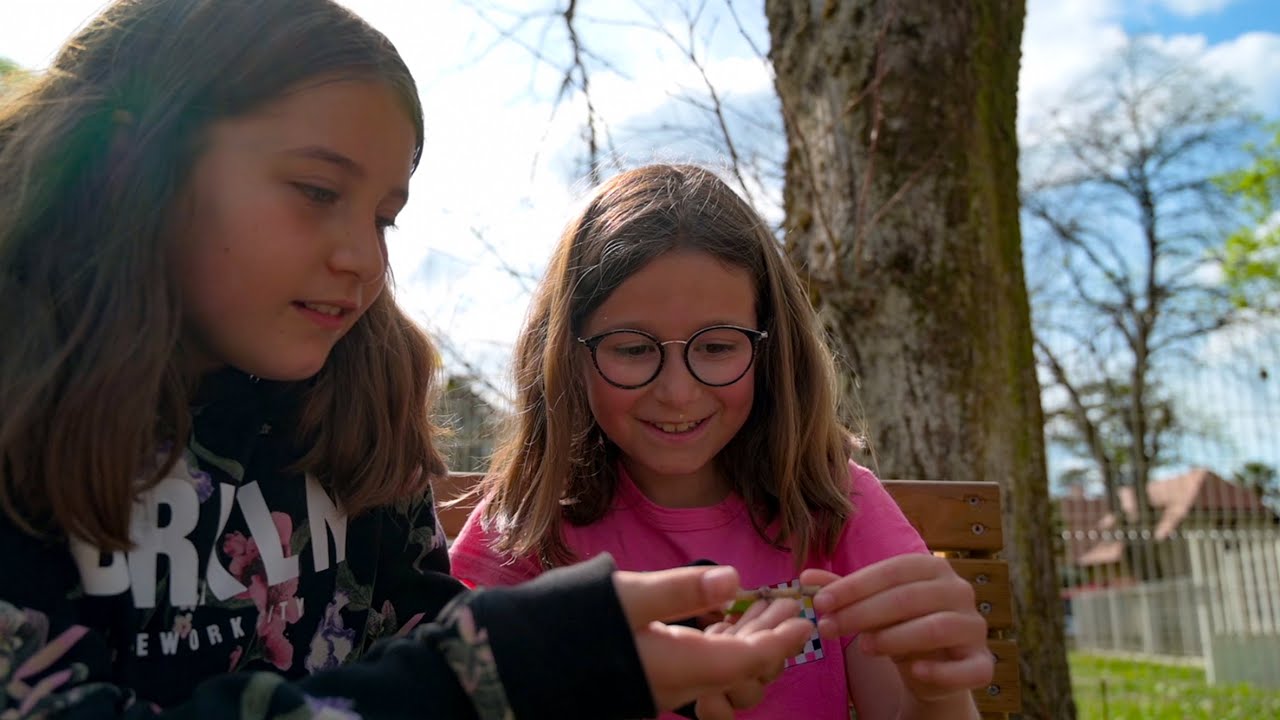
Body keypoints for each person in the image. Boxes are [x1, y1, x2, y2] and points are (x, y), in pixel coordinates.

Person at [0, 4, 816, 718]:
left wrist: (597, 668)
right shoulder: (22, 416)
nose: (363, 257)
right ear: (127, 167)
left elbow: (420, 637)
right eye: (318, 192)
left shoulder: (356, 406)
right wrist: (496, 676)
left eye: (386, 216)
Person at [449, 164, 995, 719]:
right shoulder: (524, 528)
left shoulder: (834, 504)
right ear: (568, 355)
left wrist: (939, 688)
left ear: (769, 347)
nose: (678, 393)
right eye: (632, 349)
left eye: (717, 347)